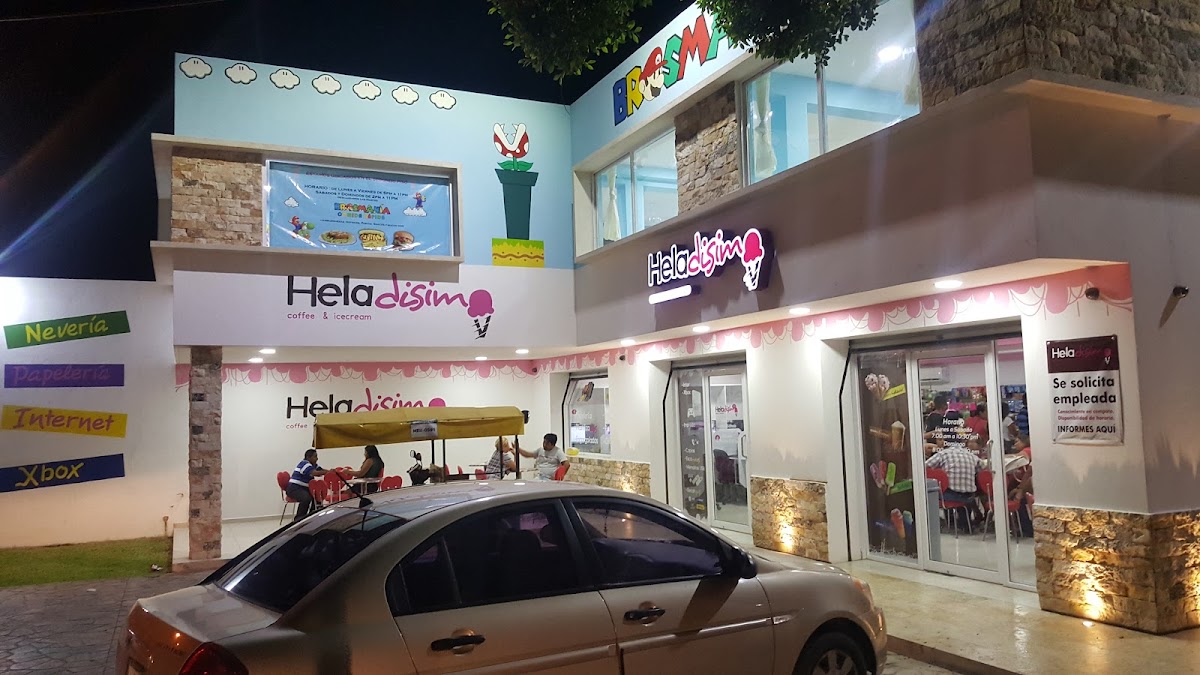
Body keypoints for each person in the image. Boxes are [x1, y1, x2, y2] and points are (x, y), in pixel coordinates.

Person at [925, 442, 985, 523]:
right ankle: (965, 524)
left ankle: (949, 522)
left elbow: (925, 466)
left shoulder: (943, 454)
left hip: (950, 496)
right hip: (968, 497)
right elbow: (983, 468)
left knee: (936, 492)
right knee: (964, 497)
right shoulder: (972, 456)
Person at [287, 449, 328, 521]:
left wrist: (331, 471)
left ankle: (312, 515)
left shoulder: (313, 465)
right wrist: (326, 472)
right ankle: (299, 519)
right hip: (294, 488)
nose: (317, 458)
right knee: (306, 498)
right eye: (315, 456)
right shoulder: (304, 464)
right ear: (309, 457)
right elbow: (314, 473)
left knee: (317, 496)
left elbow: (320, 470)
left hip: (303, 488)